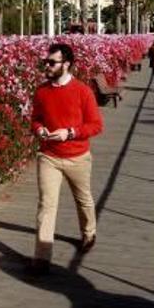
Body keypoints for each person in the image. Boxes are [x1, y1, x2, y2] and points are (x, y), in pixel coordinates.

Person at [28, 43, 104, 275]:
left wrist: (69, 132)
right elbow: (35, 119)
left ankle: (89, 233)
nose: (47, 66)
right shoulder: (42, 91)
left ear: (67, 64)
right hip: (48, 156)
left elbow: (96, 125)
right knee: (46, 206)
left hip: (77, 157)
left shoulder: (83, 91)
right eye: (46, 62)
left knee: (84, 199)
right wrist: (39, 129)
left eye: (52, 63)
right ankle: (42, 258)